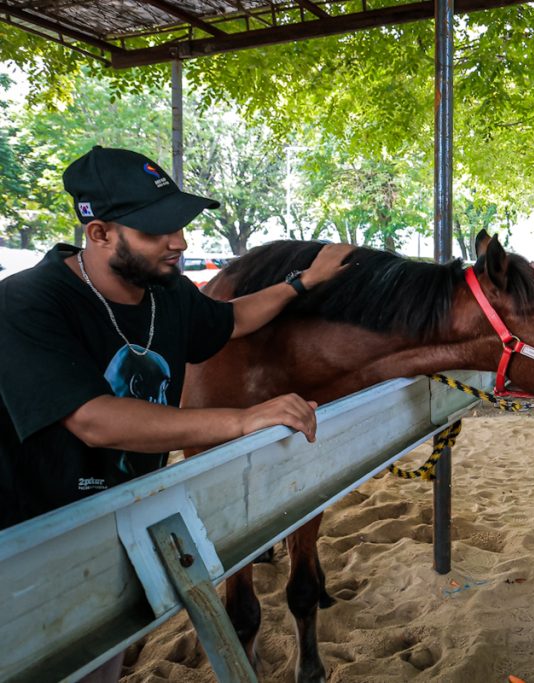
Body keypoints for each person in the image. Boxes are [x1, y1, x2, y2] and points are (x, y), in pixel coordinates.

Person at [0, 146, 350, 680]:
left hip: (113, 520)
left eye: (181, 226)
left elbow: (229, 320)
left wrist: (303, 281)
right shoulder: (28, 301)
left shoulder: (166, 294)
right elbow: (94, 419)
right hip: (27, 534)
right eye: (157, 230)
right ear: (99, 234)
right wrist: (241, 418)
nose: (179, 242)